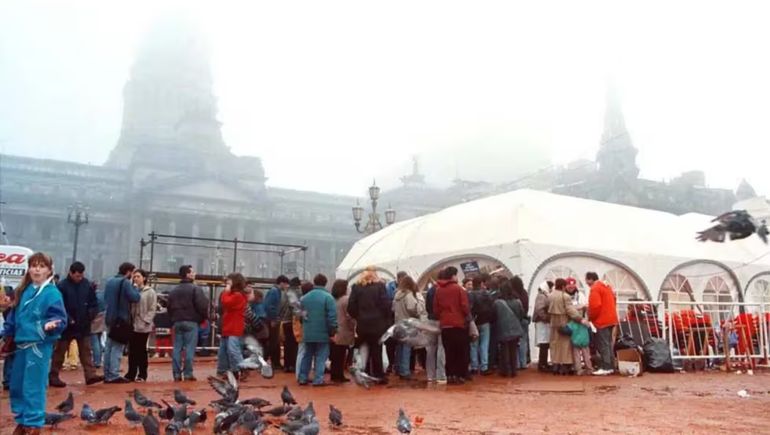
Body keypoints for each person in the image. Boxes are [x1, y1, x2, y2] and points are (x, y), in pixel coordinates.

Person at [3, 252, 67, 434]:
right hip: (20, 345)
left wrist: (52, 325)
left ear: (49, 270)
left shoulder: (52, 293)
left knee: (33, 386)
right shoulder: (24, 290)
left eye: (41, 266)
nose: (37, 269)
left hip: (38, 346)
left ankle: (33, 424)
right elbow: (14, 317)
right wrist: (6, 334)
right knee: (16, 385)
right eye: (33, 265)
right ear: (28, 268)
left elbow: (60, 318)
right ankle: (22, 420)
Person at [49, 261, 102, 387]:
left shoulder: (86, 285)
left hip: (83, 324)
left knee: (86, 351)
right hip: (66, 326)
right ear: (71, 273)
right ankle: (53, 376)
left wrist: (91, 314)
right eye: (77, 275)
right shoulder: (62, 286)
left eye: (81, 275)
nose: (80, 278)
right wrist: (67, 318)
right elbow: (58, 305)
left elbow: (94, 303)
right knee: (59, 352)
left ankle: (90, 375)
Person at [348, 266, 391, 383]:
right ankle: (378, 375)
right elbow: (386, 304)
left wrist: (358, 316)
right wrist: (384, 318)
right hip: (377, 324)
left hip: (362, 324)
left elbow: (351, 307)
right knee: (376, 349)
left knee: (362, 348)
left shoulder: (356, 287)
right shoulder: (380, 287)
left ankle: (364, 372)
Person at [167, 265, 209, 382]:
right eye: (192, 272)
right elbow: (202, 306)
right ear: (188, 274)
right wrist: (202, 318)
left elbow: (169, 307)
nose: (195, 274)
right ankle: (188, 373)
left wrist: (173, 319)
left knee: (177, 348)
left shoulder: (174, 291)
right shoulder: (195, 289)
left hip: (177, 321)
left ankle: (176, 374)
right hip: (191, 322)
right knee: (190, 348)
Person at [103, 262, 141, 384]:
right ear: (128, 272)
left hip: (109, 317)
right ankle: (114, 374)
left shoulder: (109, 281)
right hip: (121, 319)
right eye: (133, 273)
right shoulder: (124, 282)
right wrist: (135, 287)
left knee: (109, 346)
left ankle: (107, 373)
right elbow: (135, 297)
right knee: (117, 348)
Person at [433, 267, 470, 385]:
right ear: (453, 276)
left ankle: (450, 375)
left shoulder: (438, 290)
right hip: (459, 324)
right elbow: (465, 306)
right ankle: (460, 375)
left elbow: (436, 309)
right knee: (460, 351)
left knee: (449, 352)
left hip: (445, 325)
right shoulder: (459, 289)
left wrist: (443, 316)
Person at [298, 274, 337, 386]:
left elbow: (300, 316)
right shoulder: (328, 297)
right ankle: (318, 379)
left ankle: (302, 377)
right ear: (325, 283)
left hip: (308, 332)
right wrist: (332, 331)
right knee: (321, 356)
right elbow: (332, 317)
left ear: (314, 282)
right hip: (323, 332)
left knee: (307, 355)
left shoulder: (304, 298)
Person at [548, 278, 589, 375]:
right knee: (565, 345)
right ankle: (565, 366)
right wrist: (581, 319)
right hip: (564, 322)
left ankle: (555, 364)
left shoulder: (550, 295)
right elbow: (570, 311)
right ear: (563, 286)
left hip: (553, 323)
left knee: (555, 344)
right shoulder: (565, 296)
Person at [125, 269, 157, 382]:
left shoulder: (150, 292)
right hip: (133, 324)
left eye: (138, 276)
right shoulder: (132, 290)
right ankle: (131, 372)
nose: (136, 279)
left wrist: (146, 320)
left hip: (144, 325)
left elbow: (152, 308)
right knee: (132, 350)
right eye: (134, 277)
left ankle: (142, 374)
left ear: (144, 278)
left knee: (141, 349)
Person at [586, 272, 619, 376]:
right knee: (609, 344)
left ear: (590, 279)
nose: (586, 283)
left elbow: (595, 306)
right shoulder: (607, 286)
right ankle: (611, 366)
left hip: (602, 320)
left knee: (603, 344)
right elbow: (614, 299)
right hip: (611, 319)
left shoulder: (595, 288)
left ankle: (606, 367)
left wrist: (591, 318)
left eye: (587, 280)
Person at [392, 275, 424, 380]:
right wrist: (418, 311)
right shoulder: (408, 295)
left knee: (399, 347)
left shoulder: (397, 294)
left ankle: (397, 368)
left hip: (398, 324)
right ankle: (405, 371)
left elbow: (392, 309)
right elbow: (412, 308)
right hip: (407, 324)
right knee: (406, 347)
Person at [217, 273, 248, 379]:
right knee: (225, 350)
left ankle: (240, 368)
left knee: (232, 349)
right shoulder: (237, 294)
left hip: (233, 326)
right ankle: (230, 370)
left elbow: (225, 302)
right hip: (230, 325)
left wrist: (227, 289)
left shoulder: (237, 295)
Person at [494, 280, 526, 377]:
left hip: (502, 328)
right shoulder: (517, 301)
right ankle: (513, 370)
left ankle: (505, 370)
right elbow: (521, 314)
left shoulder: (497, 302)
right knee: (513, 349)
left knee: (504, 349)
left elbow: (494, 316)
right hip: (515, 327)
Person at [566, 278, 593, 375]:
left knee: (576, 351)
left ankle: (578, 369)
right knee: (585, 351)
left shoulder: (580, 295)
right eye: (569, 286)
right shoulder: (584, 321)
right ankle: (589, 368)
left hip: (574, 330)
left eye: (572, 286)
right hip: (582, 330)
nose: (571, 287)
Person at [330, 279, 355, 383]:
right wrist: (353, 326)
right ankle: (339, 375)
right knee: (341, 354)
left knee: (335, 354)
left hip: (334, 329)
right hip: (344, 329)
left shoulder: (332, 299)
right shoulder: (346, 300)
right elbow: (349, 316)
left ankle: (334, 374)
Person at [469, 275, 495, 375]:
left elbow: (469, 309)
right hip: (485, 322)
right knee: (484, 344)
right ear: (481, 284)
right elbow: (492, 308)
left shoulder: (470, 295)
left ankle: (474, 366)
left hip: (474, 322)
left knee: (473, 345)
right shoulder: (487, 294)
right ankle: (484, 366)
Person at [264, 275, 290, 370]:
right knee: (273, 342)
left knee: (274, 342)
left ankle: (275, 362)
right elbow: (270, 306)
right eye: (286, 284)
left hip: (273, 319)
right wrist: (273, 319)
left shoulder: (275, 291)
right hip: (273, 320)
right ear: (282, 283)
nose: (286, 286)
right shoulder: (274, 292)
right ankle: (270, 361)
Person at [278, 277, 302, 373]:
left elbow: (280, 307)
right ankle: (293, 364)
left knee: (287, 344)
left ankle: (286, 365)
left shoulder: (284, 294)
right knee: (295, 344)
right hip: (294, 321)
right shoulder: (298, 293)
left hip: (285, 321)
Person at [424, 280, 446, 384]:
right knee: (441, 347)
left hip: (431, 320)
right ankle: (441, 374)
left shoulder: (431, 290)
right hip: (441, 320)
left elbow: (427, 307)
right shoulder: (443, 290)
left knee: (431, 349)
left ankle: (430, 375)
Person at [384, 271, 406, 374]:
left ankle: (399, 365)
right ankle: (391, 363)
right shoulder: (389, 288)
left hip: (400, 318)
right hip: (390, 319)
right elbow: (387, 302)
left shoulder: (406, 288)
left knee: (401, 342)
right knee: (391, 342)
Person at [533, 281, 554, 372]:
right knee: (544, 343)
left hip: (544, 323)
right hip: (542, 323)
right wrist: (546, 318)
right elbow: (539, 309)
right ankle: (542, 364)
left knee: (545, 343)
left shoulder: (543, 295)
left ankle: (543, 363)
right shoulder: (542, 296)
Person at [510, 276, 530, 369]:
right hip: (524, 319)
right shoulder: (524, 292)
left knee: (516, 343)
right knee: (523, 342)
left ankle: (517, 363)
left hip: (515, 320)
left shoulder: (512, 294)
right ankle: (524, 362)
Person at [90, 282, 106, 369]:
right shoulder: (101, 295)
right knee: (99, 340)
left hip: (94, 319)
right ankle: (98, 360)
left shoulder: (91, 296)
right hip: (102, 318)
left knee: (94, 341)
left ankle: (96, 361)